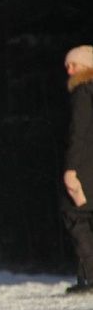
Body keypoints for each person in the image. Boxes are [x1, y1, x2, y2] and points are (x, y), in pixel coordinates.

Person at [63, 45, 93, 294]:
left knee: (76, 216)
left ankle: (89, 277)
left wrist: (71, 167)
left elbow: (79, 133)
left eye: (74, 65)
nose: (69, 70)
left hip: (84, 166)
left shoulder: (83, 91)